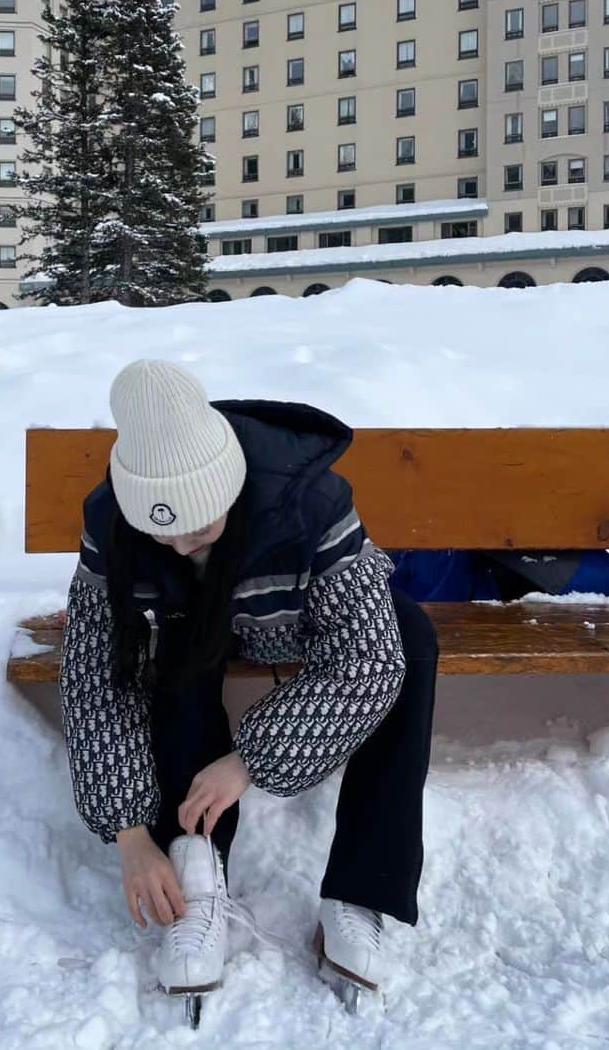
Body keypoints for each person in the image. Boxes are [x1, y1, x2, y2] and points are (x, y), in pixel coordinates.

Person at [59, 360, 439, 1001]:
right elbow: (97, 670)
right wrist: (129, 834)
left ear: (229, 491)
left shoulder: (308, 500)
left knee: (408, 640)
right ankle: (196, 870)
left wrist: (249, 762)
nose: (180, 546)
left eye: (198, 529)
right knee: (167, 650)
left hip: (292, 618)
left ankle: (360, 888)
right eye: (162, 531)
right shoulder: (112, 523)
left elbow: (367, 659)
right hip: (191, 629)